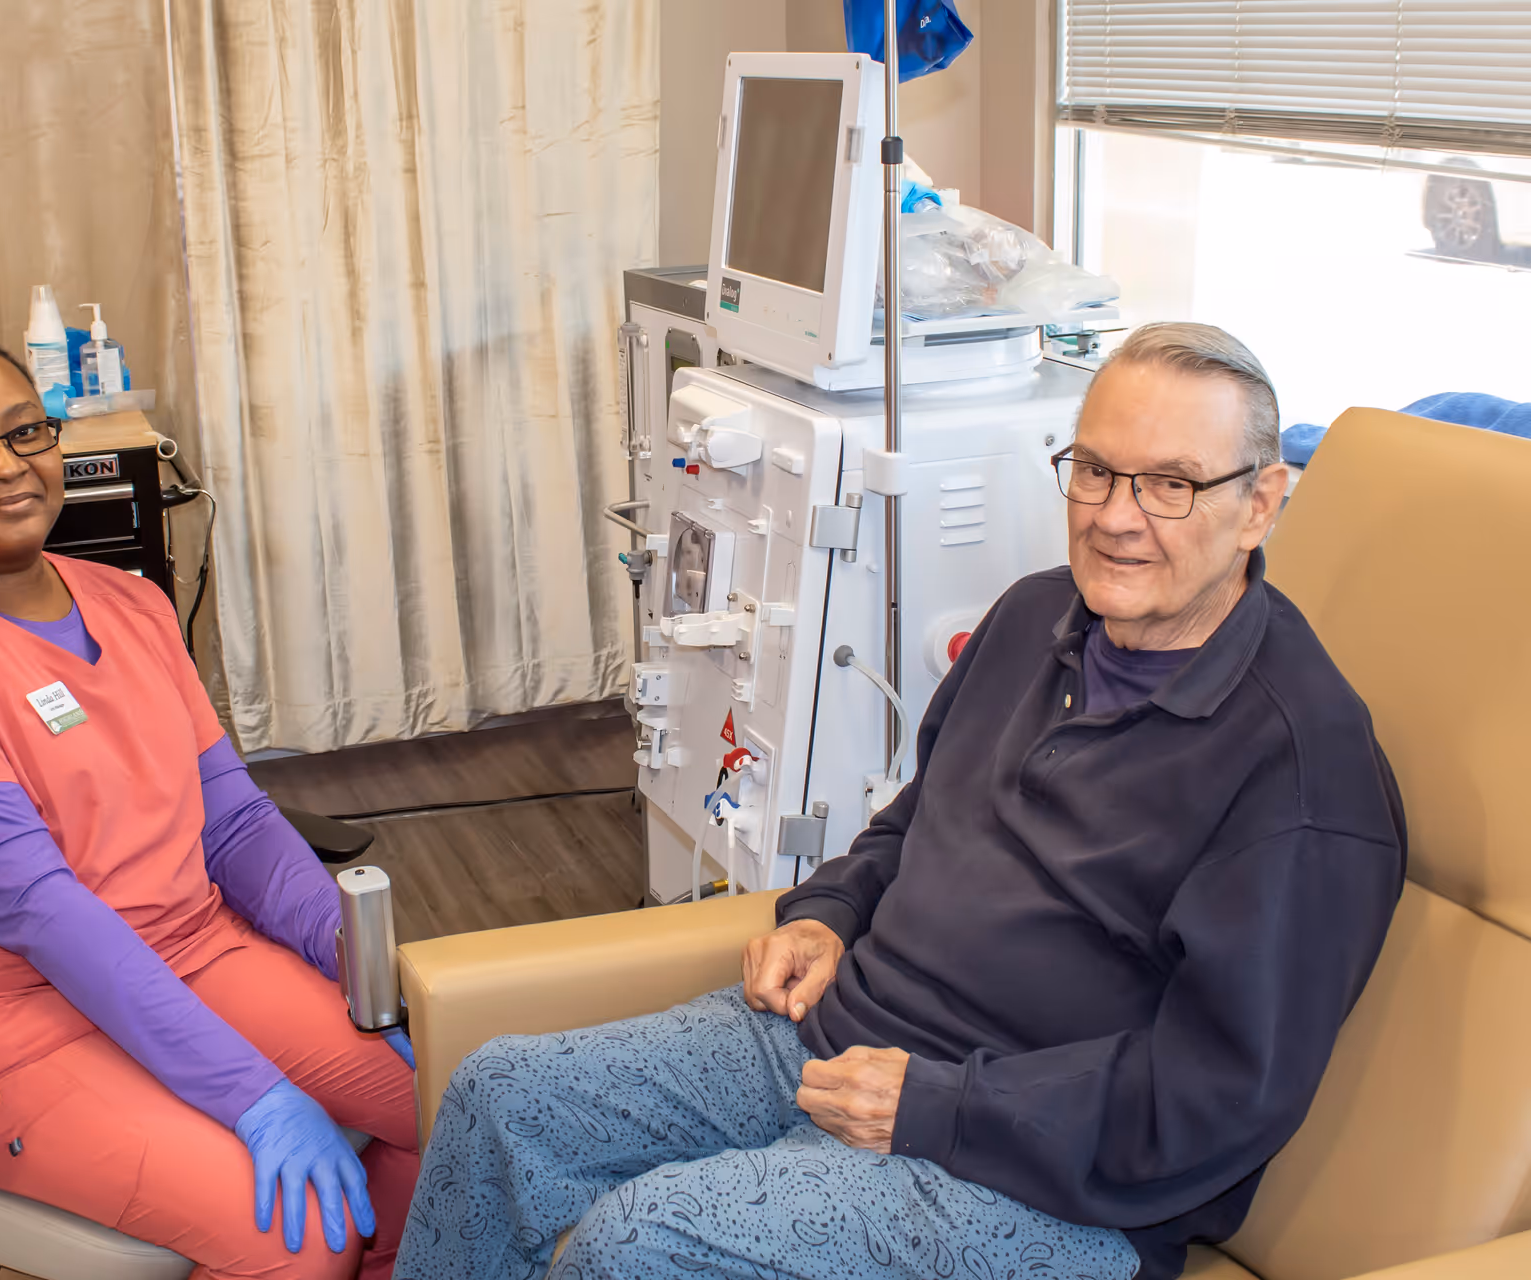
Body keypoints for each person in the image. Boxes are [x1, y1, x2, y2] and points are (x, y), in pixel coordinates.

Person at [396, 323, 1406, 1280]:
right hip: (840, 1035)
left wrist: (945, 1106)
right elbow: (916, 820)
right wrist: (831, 910)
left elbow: (1217, 1095)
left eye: (1172, 484)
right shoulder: (1034, 617)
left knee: (639, 1248)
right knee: (502, 1100)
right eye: (1094, 468)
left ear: (1261, 502)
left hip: (1042, 1185)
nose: (1114, 514)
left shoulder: (1302, 772)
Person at [0, 332, 417, 1280]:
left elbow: (238, 822)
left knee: (458, 1096)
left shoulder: (128, 604)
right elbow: (41, 915)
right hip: (4, 1021)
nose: (7, 467)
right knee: (294, 1237)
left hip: (192, 952)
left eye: (27, 433)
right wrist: (255, 1096)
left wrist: (367, 965)